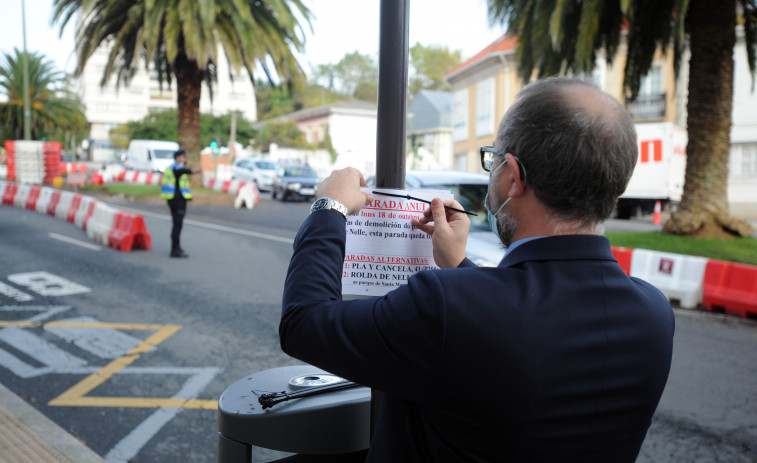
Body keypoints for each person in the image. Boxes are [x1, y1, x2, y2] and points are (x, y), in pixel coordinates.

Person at [280, 77, 674, 462]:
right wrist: (458, 265)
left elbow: (304, 324)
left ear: (513, 177)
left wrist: (330, 208)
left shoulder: (446, 305)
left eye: (493, 158)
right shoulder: (654, 315)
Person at [160, 149, 198, 258]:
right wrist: (195, 171)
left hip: (172, 199)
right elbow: (181, 171)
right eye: (184, 157)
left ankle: (176, 247)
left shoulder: (171, 167)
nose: (186, 159)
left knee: (176, 224)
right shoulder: (177, 167)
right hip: (177, 200)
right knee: (177, 225)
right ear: (178, 158)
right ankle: (175, 250)